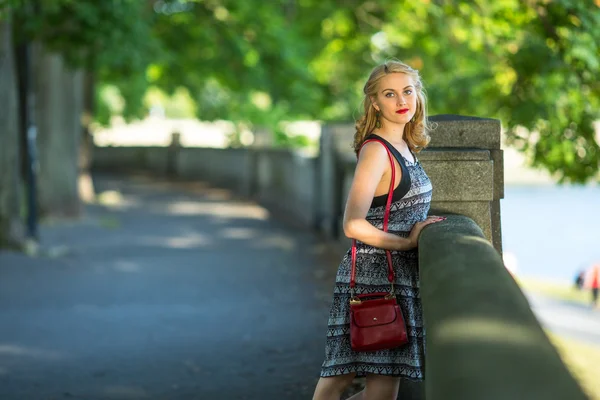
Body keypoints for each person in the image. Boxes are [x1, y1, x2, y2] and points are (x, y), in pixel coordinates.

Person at [312, 60, 444, 400]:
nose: (402, 100)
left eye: (407, 91)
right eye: (390, 94)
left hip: (399, 279)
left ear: (418, 96)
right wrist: (406, 242)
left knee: (383, 391)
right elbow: (352, 224)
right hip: (372, 276)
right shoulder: (376, 151)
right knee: (339, 377)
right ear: (375, 102)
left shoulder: (406, 147)